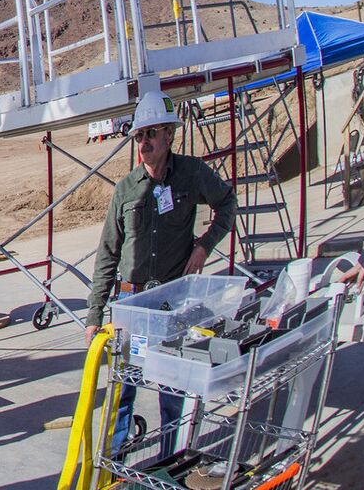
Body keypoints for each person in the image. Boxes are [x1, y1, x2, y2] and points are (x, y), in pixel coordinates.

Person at [84, 95, 237, 461]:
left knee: (173, 392)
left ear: (169, 134)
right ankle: (117, 469)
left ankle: (172, 465)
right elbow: (108, 254)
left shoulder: (191, 174)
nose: (143, 143)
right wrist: (94, 317)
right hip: (131, 307)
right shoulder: (126, 189)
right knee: (123, 391)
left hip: (172, 305)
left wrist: (203, 247)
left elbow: (227, 203)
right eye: (139, 136)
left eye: (151, 134)